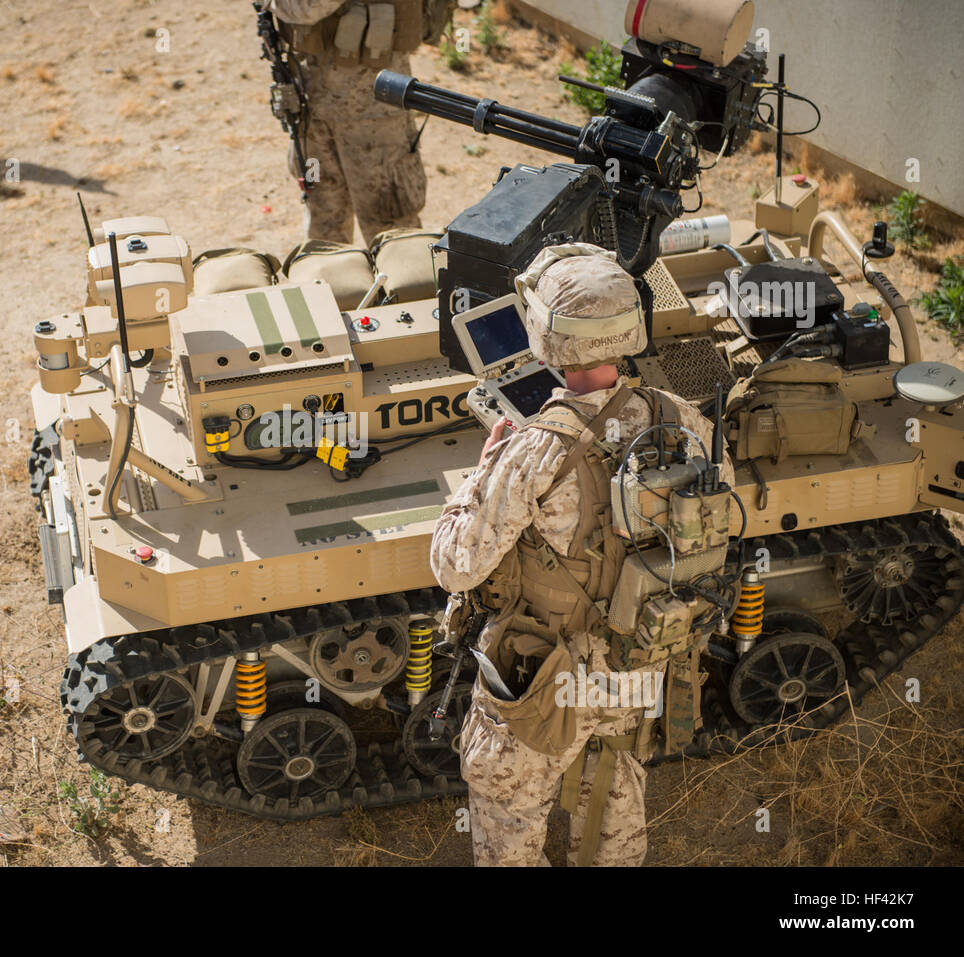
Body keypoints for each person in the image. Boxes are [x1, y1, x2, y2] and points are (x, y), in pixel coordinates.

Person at [430, 243, 736, 866]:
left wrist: (481, 472)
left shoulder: (537, 449)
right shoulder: (682, 420)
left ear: (544, 338)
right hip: (638, 658)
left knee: (510, 813)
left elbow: (456, 564)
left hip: (542, 672)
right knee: (613, 798)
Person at [267, 0, 461, 244]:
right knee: (323, 209)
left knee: (388, 217)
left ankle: (401, 280)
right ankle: (333, 280)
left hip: (372, 102)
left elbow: (304, 8)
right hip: (310, 97)